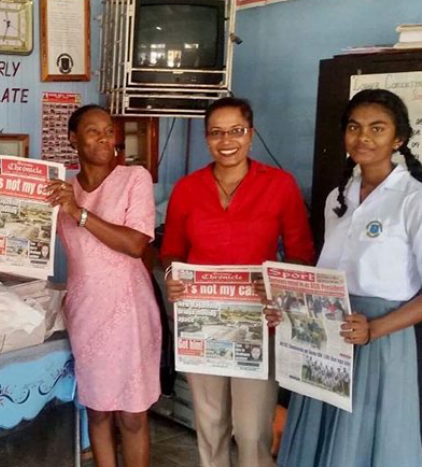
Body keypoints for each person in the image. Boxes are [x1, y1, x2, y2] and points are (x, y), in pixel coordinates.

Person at [161, 96, 315, 467]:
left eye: (236, 131)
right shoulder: (187, 188)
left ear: (251, 134)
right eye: (216, 133)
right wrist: (172, 276)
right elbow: (171, 251)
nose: (226, 141)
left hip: (259, 323)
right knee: (210, 425)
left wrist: (279, 283)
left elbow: (301, 254)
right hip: (203, 322)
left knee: (252, 430)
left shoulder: (279, 184)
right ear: (206, 137)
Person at [273, 89, 422, 466]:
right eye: (354, 127)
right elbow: (327, 277)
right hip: (328, 333)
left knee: (365, 443)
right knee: (320, 439)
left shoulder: (413, 198)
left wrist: (376, 328)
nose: (364, 138)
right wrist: (289, 310)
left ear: (399, 138)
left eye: (377, 128)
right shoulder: (339, 197)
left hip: (380, 341)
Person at [47, 104, 162, 467]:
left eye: (109, 130)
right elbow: (27, 235)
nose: (104, 137)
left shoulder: (135, 178)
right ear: (73, 139)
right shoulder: (60, 187)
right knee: (97, 411)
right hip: (86, 311)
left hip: (129, 311)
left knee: (131, 414)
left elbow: (134, 244)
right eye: (93, 130)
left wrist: (78, 212)